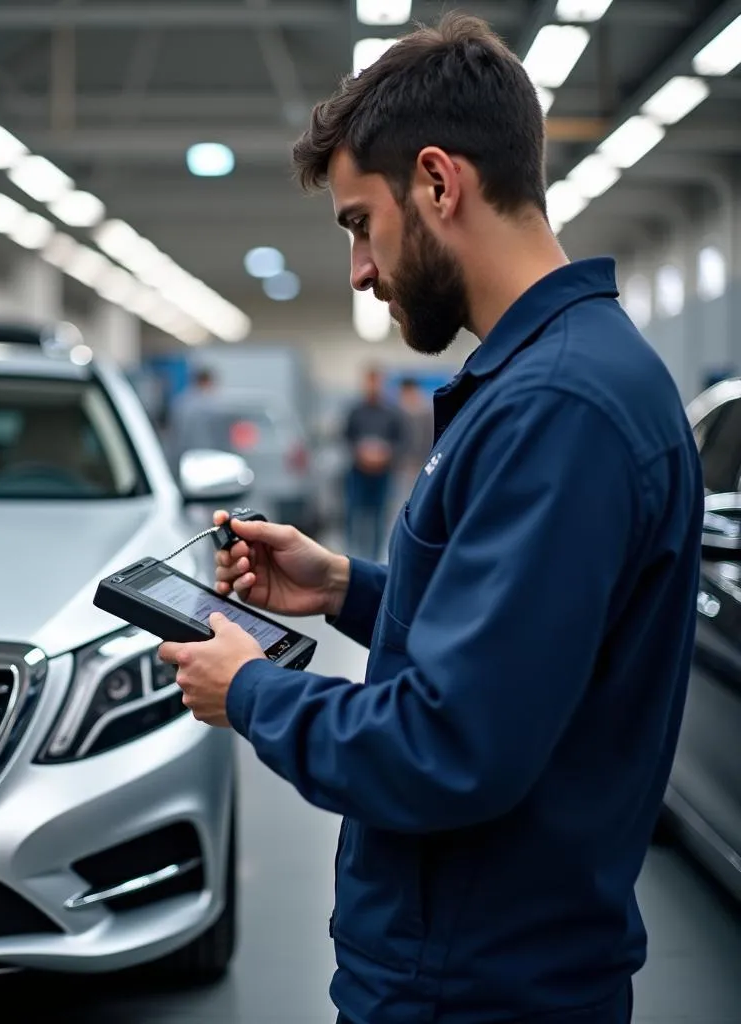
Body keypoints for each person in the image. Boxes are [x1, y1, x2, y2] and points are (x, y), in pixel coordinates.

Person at [156, 13, 704, 1024]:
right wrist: (346, 589)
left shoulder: (556, 408)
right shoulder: (550, 380)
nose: (359, 272)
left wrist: (253, 692)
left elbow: (449, 746)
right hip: (484, 959)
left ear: (439, 184)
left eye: (361, 223)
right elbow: (525, 646)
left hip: (471, 982)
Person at [343, 365, 404, 558]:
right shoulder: (355, 411)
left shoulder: (391, 413)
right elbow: (345, 437)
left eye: (377, 381)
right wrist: (360, 453)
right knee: (354, 514)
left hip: (383, 473)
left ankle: (374, 558)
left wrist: (385, 455)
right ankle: (353, 556)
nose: (373, 386)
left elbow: (402, 440)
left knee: (379, 516)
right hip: (358, 472)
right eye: (370, 381)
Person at [165, 364, 218, 465]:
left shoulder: (181, 401)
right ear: (207, 382)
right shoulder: (211, 404)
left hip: (183, 453)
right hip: (204, 454)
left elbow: (172, 430)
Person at [394, 376, 433, 501]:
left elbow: (430, 439)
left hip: (423, 465)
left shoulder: (428, 413)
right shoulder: (397, 413)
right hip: (401, 467)